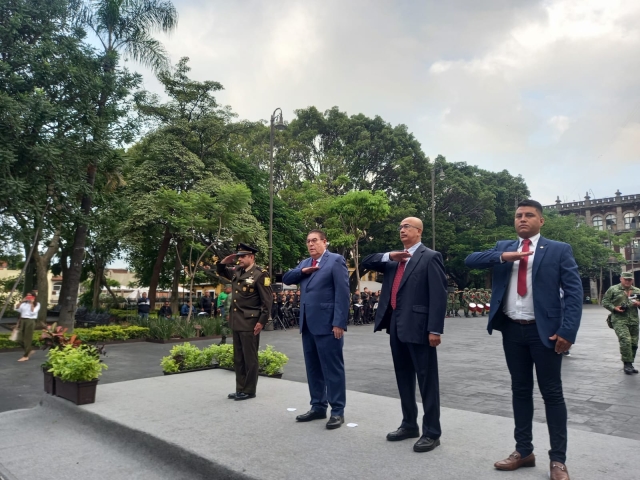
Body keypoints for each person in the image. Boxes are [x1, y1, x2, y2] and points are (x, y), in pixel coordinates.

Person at [465, 199, 582, 480]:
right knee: (520, 390)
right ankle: (524, 451)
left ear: (541, 221)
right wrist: (502, 257)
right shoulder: (505, 247)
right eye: (518, 215)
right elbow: (470, 260)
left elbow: (574, 293)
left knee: (552, 393)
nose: (523, 219)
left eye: (529, 215)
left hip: (545, 333)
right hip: (513, 330)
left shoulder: (558, 250)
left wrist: (568, 332)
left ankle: (558, 460)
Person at [361, 217, 447, 453]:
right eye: (400, 227)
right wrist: (390, 255)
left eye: (407, 226)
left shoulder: (430, 257)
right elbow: (365, 261)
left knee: (427, 380)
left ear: (419, 231)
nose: (402, 230)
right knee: (403, 377)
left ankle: (432, 432)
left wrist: (435, 329)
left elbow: (439, 296)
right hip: (396, 326)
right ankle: (409, 424)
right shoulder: (394, 260)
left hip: (420, 328)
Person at [283, 229, 350, 430]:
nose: (311, 244)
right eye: (308, 241)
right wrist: (302, 272)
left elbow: (343, 292)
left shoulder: (335, 261)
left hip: (329, 324)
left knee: (333, 368)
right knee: (313, 368)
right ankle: (318, 406)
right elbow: (287, 278)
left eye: (315, 240)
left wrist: (339, 322)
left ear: (324, 242)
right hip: (308, 324)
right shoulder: (305, 264)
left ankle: (337, 411)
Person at [217, 243, 272, 401]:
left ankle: (249, 390)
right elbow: (222, 271)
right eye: (238, 256)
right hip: (237, 321)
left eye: (243, 256)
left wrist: (261, 321)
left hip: (250, 322)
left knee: (250, 358)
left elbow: (267, 301)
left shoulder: (261, 274)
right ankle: (240, 388)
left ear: (251, 257)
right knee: (238, 357)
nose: (239, 259)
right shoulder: (237, 271)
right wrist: (223, 262)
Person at [602, 272, 640, 375]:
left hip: (634, 321)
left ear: (632, 280)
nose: (627, 281)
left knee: (634, 343)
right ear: (621, 279)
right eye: (625, 279)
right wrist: (614, 308)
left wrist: (638, 303)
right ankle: (627, 364)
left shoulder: (637, 291)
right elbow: (605, 302)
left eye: (629, 279)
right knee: (625, 340)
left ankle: (630, 363)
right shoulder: (613, 289)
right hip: (619, 319)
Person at [15, 292, 40, 362]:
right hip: (22, 321)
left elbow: (33, 312)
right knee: (18, 338)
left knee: (27, 339)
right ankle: (29, 350)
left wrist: (32, 303)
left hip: (30, 321)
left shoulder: (37, 304)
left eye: (30, 296)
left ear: (34, 297)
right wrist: (21, 301)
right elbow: (17, 309)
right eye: (27, 295)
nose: (28, 297)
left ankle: (26, 356)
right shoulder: (24, 304)